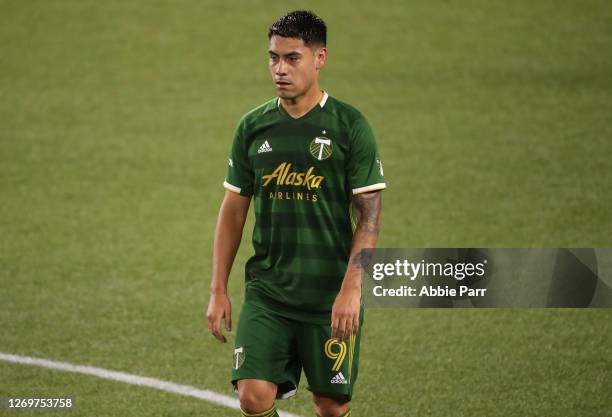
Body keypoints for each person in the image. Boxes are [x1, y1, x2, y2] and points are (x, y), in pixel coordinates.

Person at [205, 10, 386, 417]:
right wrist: (218, 288)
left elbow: (369, 217)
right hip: (269, 292)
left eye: (292, 58)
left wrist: (352, 289)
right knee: (253, 396)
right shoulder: (253, 127)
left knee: (331, 406)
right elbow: (233, 211)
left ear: (320, 58)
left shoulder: (349, 126)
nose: (280, 69)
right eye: (273, 58)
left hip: (328, 294)